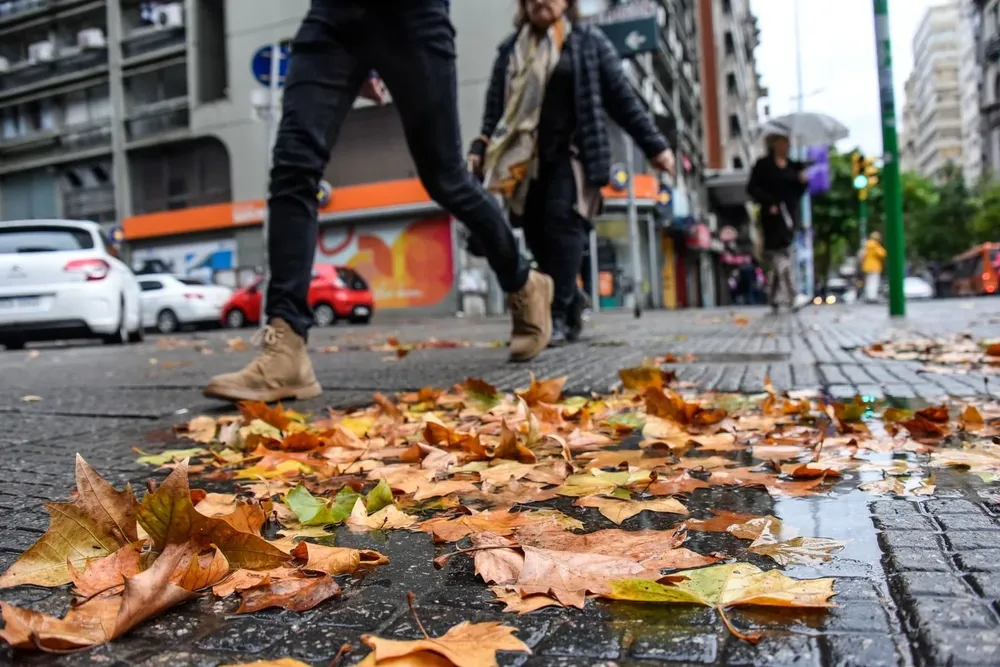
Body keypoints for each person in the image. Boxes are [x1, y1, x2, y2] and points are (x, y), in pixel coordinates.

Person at [205, 0, 556, 403]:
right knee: (292, 167)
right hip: (332, 18)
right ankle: (285, 347)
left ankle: (523, 281)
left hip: (413, 16)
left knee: (445, 179)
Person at [467, 0, 674, 346]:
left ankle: (558, 315)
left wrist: (656, 147)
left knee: (561, 224)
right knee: (537, 238)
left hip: (573, 155)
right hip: (524, 162)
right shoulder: (510, 50)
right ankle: (573, 301)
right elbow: (495, 111)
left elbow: (622, 99)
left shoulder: (588, 41)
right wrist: (480, 146)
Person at [746, 132, 808, 313]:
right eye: (781, 143)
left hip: (789, 215)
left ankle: (773, 295)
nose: (785, 146)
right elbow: (752, 188)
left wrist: (803, 182)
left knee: (782, 253)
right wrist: (768, 202)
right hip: (771, 216)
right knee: (780, 253)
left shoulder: (794, 166)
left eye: (787, 143)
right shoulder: (763, 165)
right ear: (773, 144)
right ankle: (793, 294)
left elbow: (798, 192)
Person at [860, 231, 886, 303]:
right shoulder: (875, 245)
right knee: (874, 282)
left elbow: (862, 255)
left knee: (868, 282)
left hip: (867, 266)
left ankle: (868, 296)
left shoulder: (866, 244)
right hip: (875, 266)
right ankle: (872, 297)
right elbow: (882, 254)